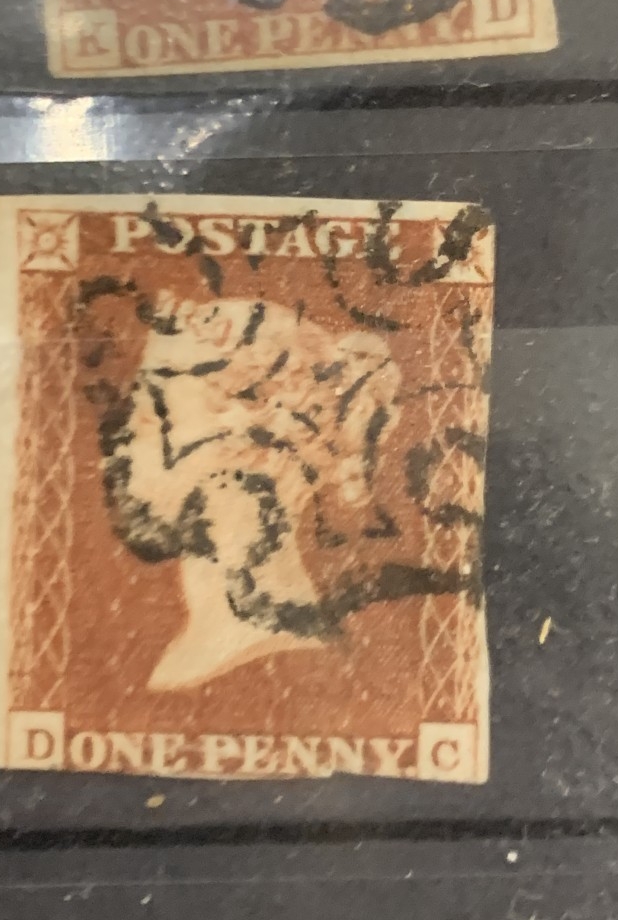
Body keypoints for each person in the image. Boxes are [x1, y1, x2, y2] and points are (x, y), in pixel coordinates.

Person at [98, 291, 402, 690]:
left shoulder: (275, 666)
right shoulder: (187, 654)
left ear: (245, 447)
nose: (121, 446)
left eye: (149, 417)